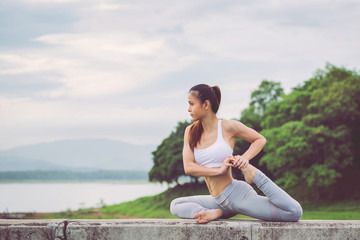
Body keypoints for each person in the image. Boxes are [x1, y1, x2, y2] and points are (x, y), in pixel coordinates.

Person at [170, 84, 303, 224]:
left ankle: (254, 174)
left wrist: (244, 159)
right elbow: (189, 167)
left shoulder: (227, 127)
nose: (188, 109)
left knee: (293, 212)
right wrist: (219, 170)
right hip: (218, 201)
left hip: (237, 196)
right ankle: (208, 213)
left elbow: (259, 139)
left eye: (191, 104)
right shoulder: (190, 132)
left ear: (206, 104)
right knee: (175, 205)